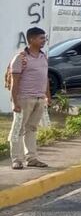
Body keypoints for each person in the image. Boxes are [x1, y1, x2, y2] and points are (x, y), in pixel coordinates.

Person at [6, 27, 51, 170]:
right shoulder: (21, 58)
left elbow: (45, 78)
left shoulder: (44, 56)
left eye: (44, 38)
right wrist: (15, 101)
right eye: (41, 38)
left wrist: (48, 96)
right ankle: (16, 160)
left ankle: (32, 158)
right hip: (24, 98)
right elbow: (15, 81)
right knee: (18, 129)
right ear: (31, 39)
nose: (44, 41)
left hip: (39, 99)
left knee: (31, 129)